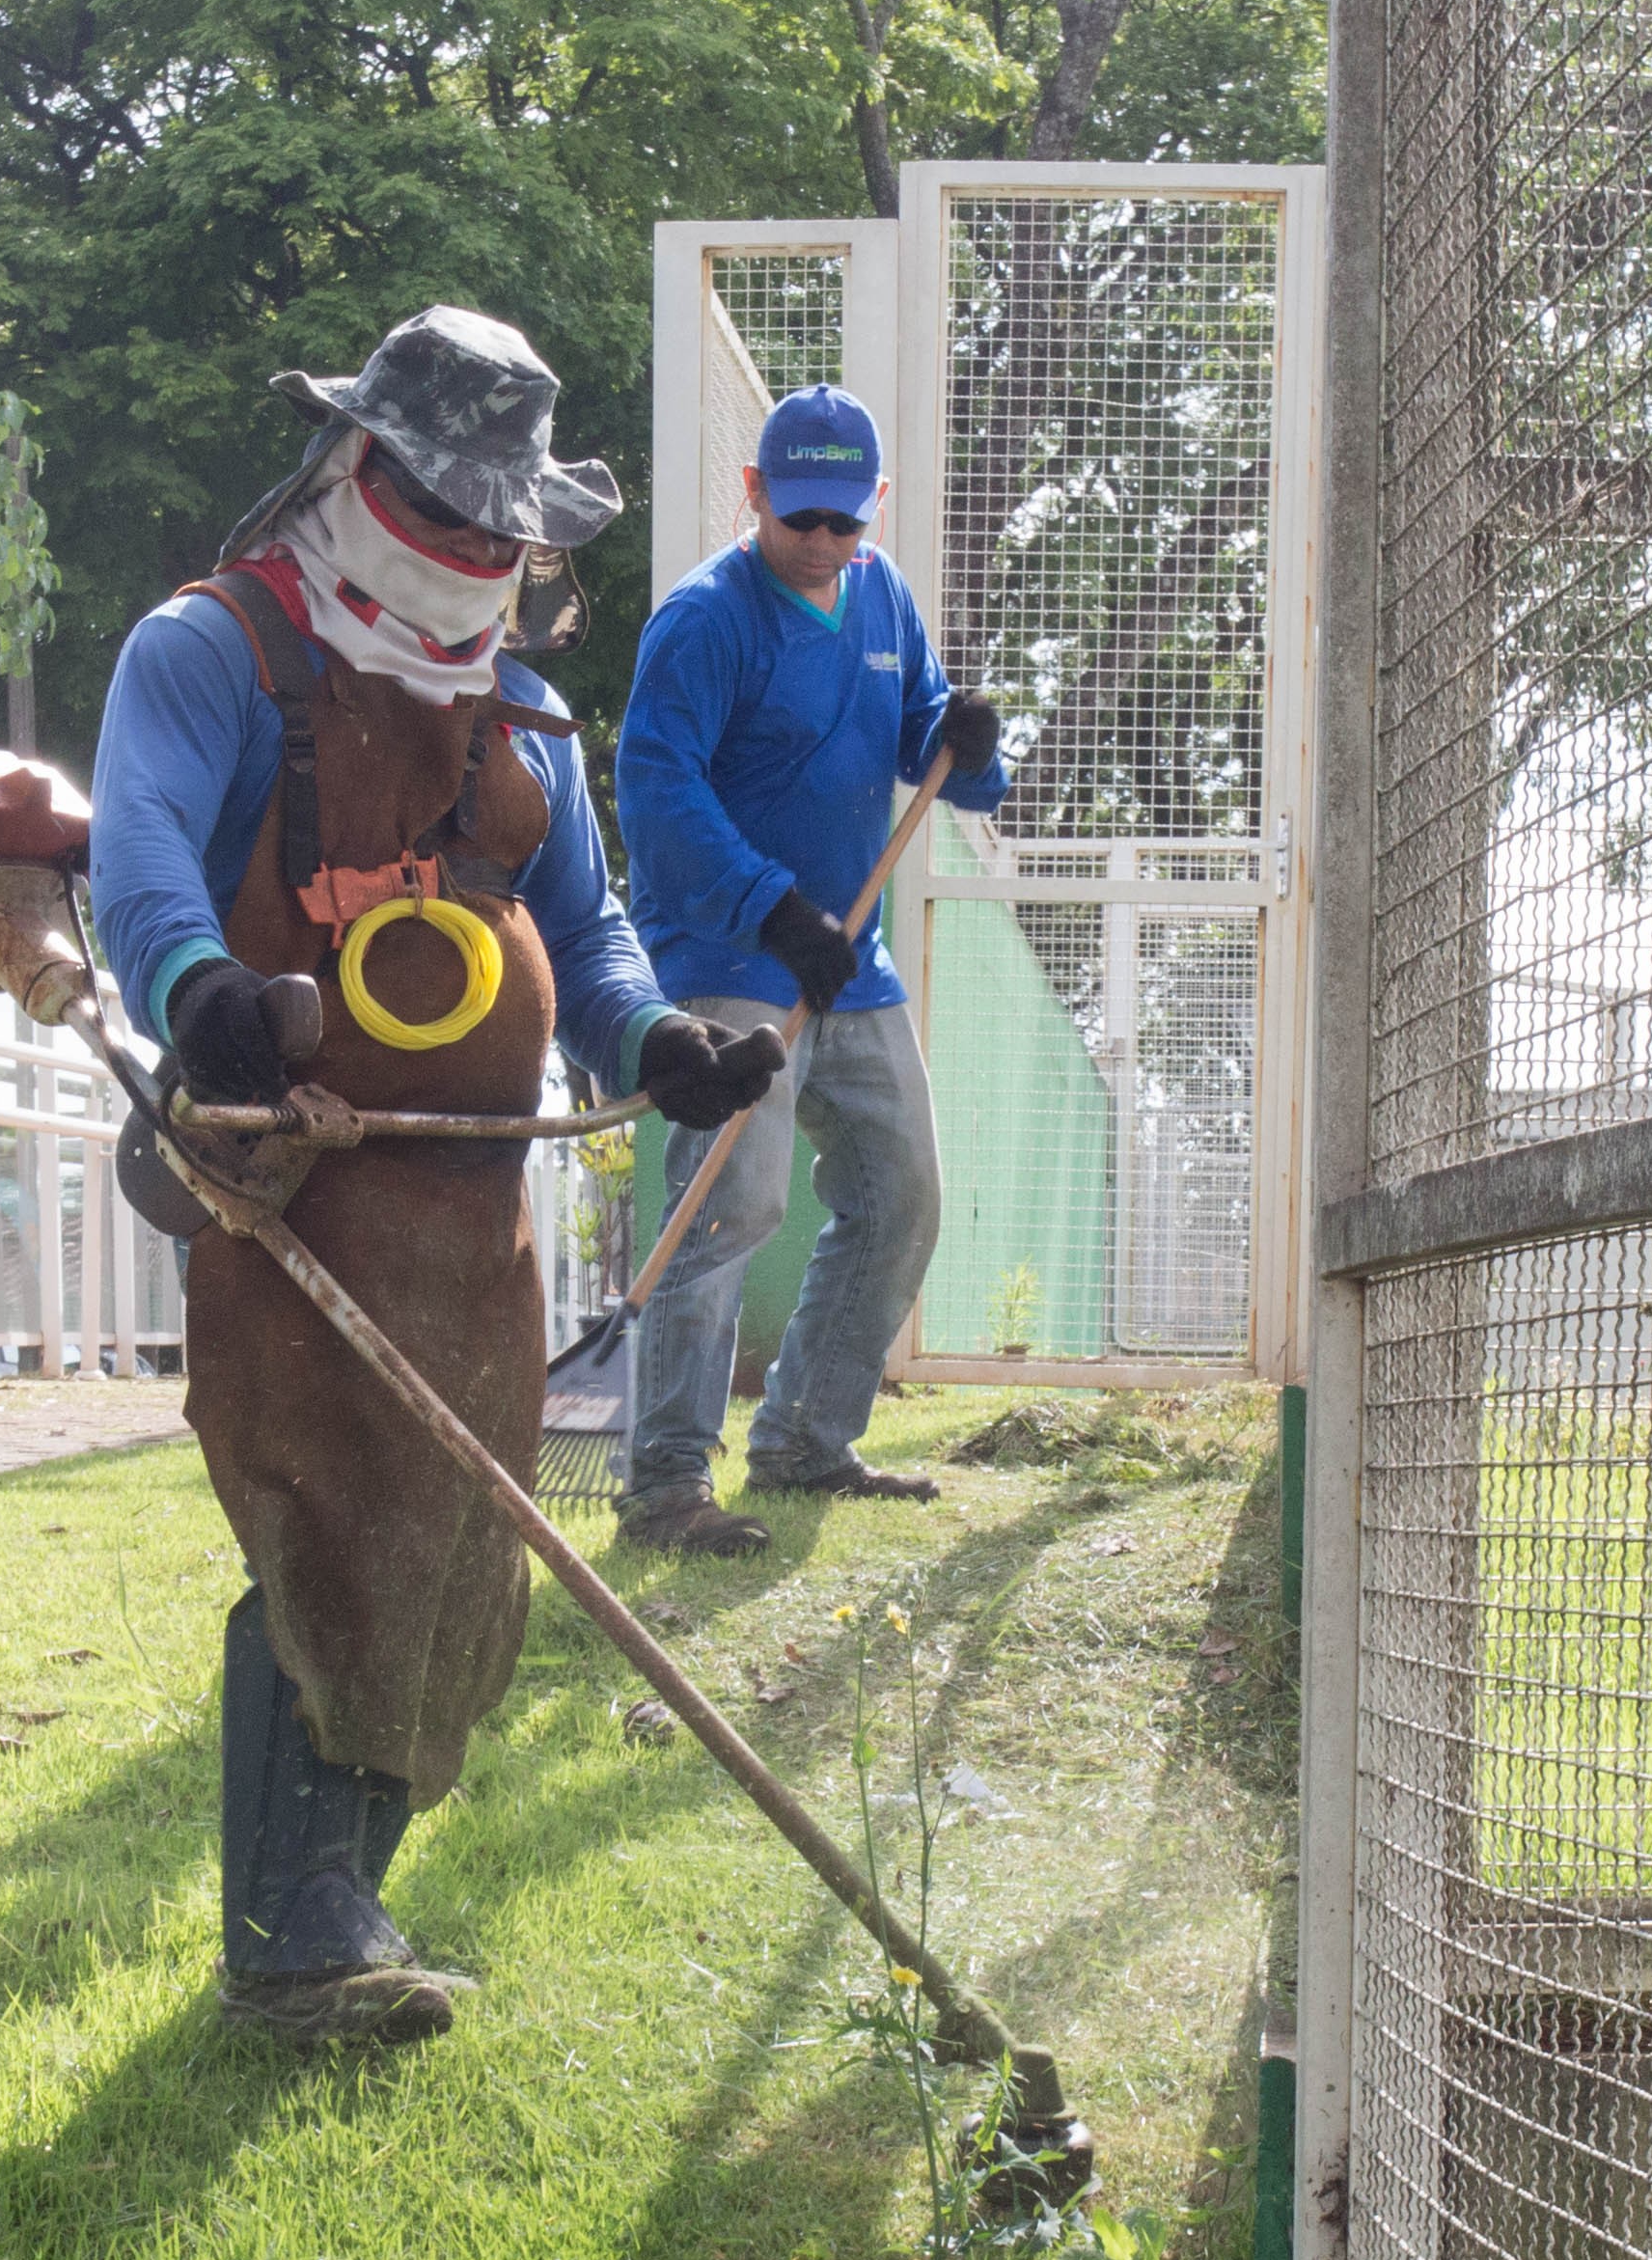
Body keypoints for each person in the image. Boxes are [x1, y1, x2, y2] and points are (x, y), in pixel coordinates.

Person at [89, 305, 785, 2047]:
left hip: (473, 1223)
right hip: (283, 1175)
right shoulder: (210, 655)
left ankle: (340, 1893)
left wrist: (653, 1047)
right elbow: (141, 845)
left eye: (504, 527)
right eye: (449, 510)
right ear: (354, 466)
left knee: (473, 1550)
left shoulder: (526, 725)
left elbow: (590, 929)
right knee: (332, 1511)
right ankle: (294, 1938)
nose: (478, 549)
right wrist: (201, 996)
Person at [610, 384, 1010, 1557]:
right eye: (801, 520)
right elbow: (658, 793)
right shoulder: (701, 621)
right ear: (754, 497)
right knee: (732, 1203)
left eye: (846, 520)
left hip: (852, 961)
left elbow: (927, 739)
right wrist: (772, 912)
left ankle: (802, 1439)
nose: (825, 543)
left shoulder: (881, 595)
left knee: (901, 1192)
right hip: (736, 953)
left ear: (873, 506)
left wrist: (969, 742)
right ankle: (665, 1484)